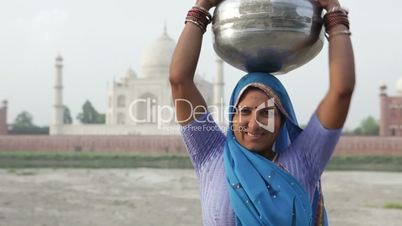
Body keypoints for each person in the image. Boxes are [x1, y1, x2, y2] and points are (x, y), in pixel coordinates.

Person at [169, 0, 355, 225]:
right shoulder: (212, 156)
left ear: (281, 120)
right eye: (245, 111)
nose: (254, 123)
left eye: (266, 113)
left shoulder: (303, 163)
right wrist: (202, 7)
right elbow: (179, 81)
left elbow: (341, 92)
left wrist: (334, 12)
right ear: (233, 116)